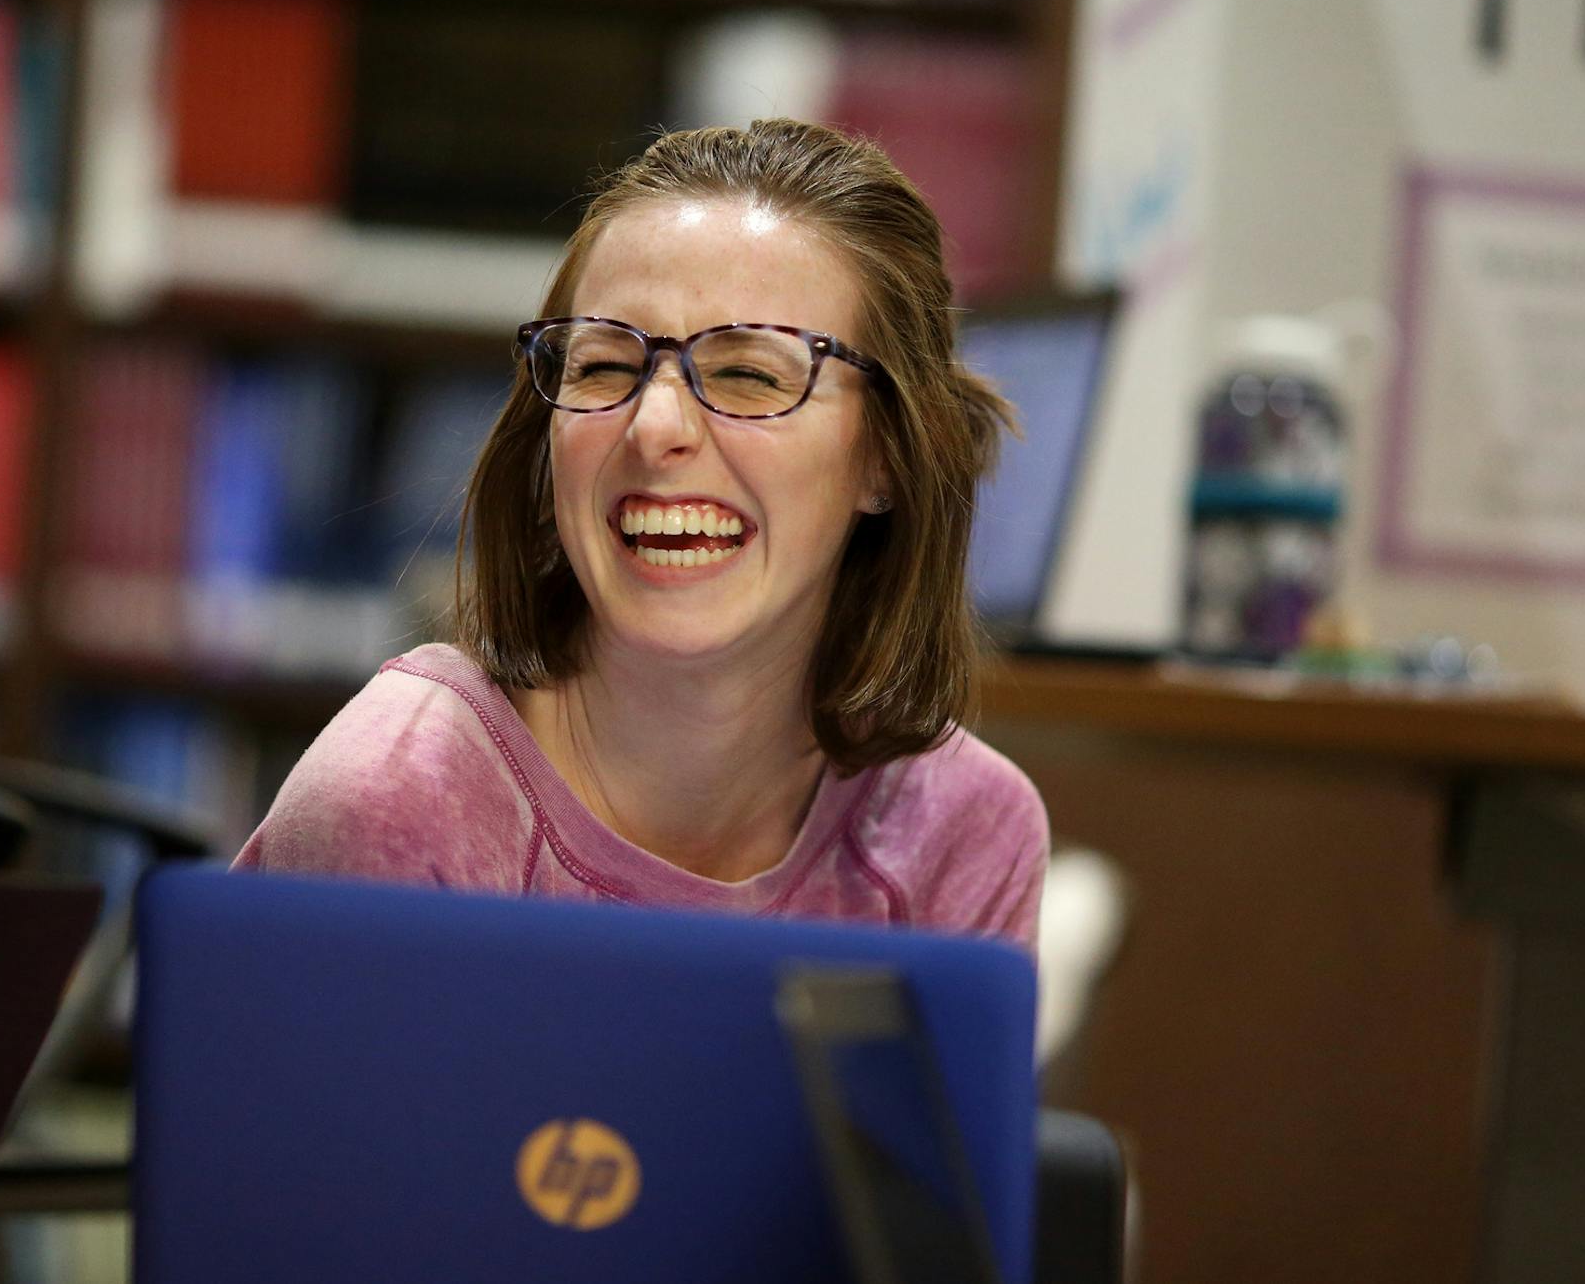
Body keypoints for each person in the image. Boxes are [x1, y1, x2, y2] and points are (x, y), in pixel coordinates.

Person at [235, 119, 1050, 948]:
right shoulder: (399, 794)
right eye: (605, 367)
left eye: (747, 373)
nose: (654, 425)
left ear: (886, 456)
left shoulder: (965, 832)